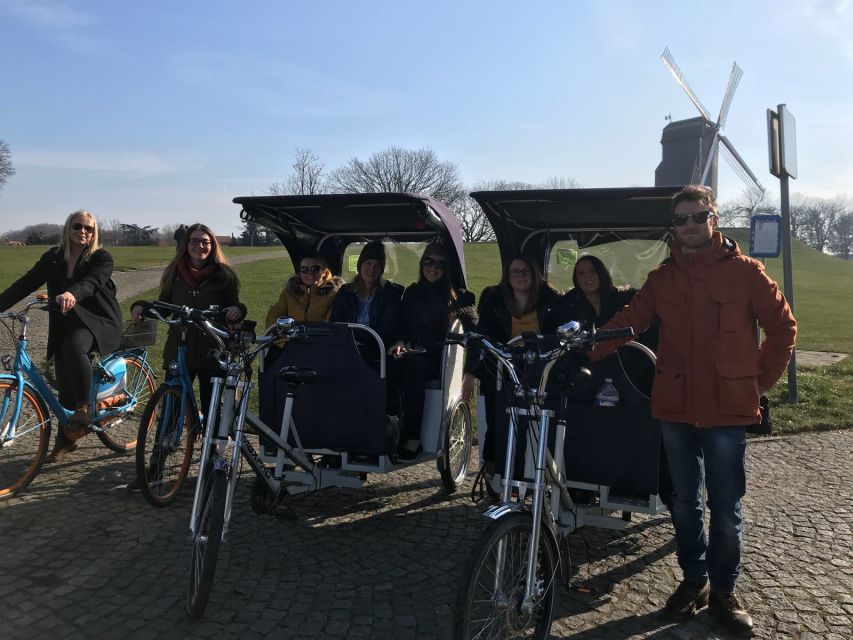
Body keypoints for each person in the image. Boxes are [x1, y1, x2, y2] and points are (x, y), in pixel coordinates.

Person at [592, 185, 796, 636]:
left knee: (725, 507)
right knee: (684, 503)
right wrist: (585, 349)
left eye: (697, 216)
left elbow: (782, 328)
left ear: (713, 219)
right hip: (676, 408)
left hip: (727, 412)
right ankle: (695, 579)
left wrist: (759, 382)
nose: (689, 225)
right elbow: (631, 320)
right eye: (680, 219)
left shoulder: (747, 273)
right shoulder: (662, 279)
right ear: (673, 227)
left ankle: (724, 592)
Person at [129, 223, 245, 491]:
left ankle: (211, 465)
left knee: (212, 408)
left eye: (205, 242)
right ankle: (155, 468)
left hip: (211, 349)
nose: (200, 246)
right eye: (195, 241)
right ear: (186, 244)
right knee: (169, 408)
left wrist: (236, 310)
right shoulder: (174, 273)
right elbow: (164, 304)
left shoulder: (224, 275)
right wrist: (142, 306)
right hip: (179, 350)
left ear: (212, 245)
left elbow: (235, 304)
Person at [0, 210, 122, 463]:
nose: (83, 232)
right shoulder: (54, 257)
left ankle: (84, 409)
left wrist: (72, 293)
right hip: (66, 320)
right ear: (68, 228)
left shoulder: (101, 257)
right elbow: (26, 283)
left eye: (89, 228)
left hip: (96, 320)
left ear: (94, 232)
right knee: (64, 377)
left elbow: (91, 282)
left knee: (73, 347)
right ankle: (67, 437)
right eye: (78, 227)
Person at [460, 254, 564, 489]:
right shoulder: (493, 298)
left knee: (543, 420)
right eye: (515, 271)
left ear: (535, 274)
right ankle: (493, 469)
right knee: (497, 418)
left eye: (525, 271)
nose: (520, 276)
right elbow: (481, 337)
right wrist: (470, 373)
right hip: (503, 369)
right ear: (507, 276)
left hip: (540, 369)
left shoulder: (552, 298)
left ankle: (540, 474)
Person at [389, 241, 476, 459]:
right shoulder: (412, 292)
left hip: (438, 358)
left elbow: (474, 335)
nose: (433, 268)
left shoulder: (460, 297)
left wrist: (470, 372)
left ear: (447, 269)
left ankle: (413, 436)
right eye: (428, 261)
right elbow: (402, 325)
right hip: (411, 352)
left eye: (440, 264)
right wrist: (399, 342)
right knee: (385, 363)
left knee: (413, 368)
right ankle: (387, 425)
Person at [330, 241, 403, 353]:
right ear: (360, 265)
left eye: (377, 265)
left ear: (382, 269)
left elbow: (386, 331)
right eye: (368, 263)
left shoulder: (391, 294)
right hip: (347, 349)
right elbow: (336, 324)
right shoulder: (345, 292)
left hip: (377, 351)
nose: (372, 270)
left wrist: (356, 338)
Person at [264, 254, 343, 328]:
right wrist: (284, 339)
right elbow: (274, 316)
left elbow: (333, 323)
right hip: (292, 339)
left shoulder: (334, 292)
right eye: (304, 269)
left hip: (320, 340)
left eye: (315, 269)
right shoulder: (290, 291)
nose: (310, 273)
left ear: (324, 271)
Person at [563, 255, 636, 329]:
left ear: (601, 273)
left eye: (593, 270)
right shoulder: (568, 306)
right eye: (581, 273)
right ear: (576, 279)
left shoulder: (625, 299)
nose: (587, 276)